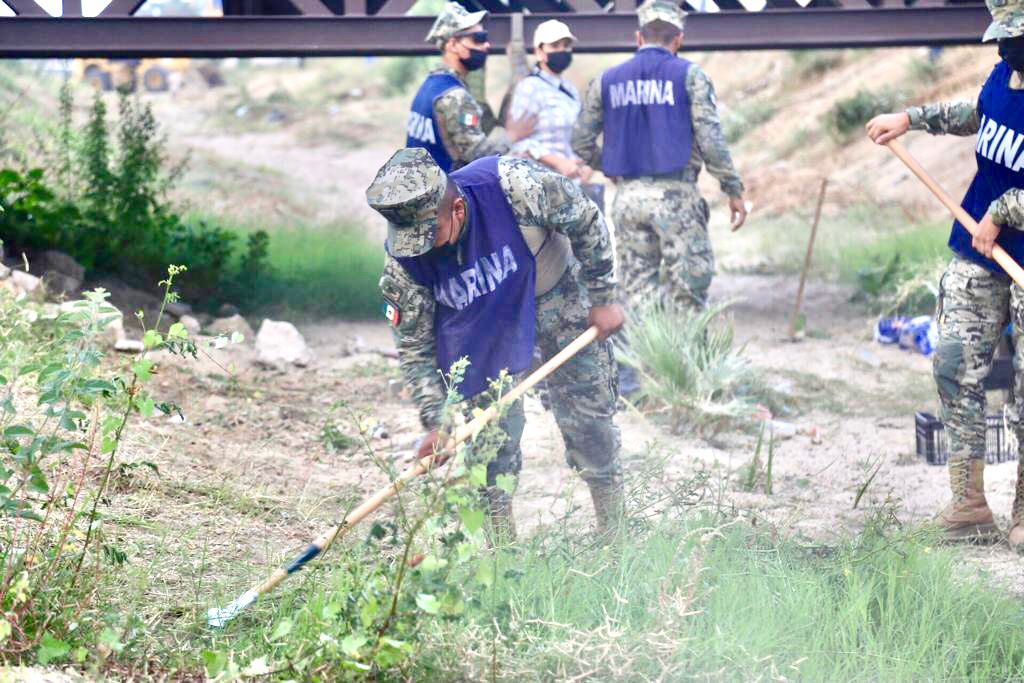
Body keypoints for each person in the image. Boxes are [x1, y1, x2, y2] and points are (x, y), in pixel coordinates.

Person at [367, 147, 625, 540]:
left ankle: (615, 535)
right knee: (489, 445)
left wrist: (603, 296)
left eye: (429, 234)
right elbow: (415, 347)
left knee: (588, 417)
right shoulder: (403, 263)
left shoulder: (514, 186)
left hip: (556, 296)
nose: (420, 248)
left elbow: (585, 217)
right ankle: (503, 558)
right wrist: (436, 422)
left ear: (455, 209)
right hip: (484, 327)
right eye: (409, 240)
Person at [866, 0, 1024, 546]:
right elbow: (980, 115)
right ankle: (970, 503)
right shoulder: (1007, 72)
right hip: (978, 253)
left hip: (1018, 255)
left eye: (1015, 37)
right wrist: (911, 119)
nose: (1006, 48)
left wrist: (1002, 213)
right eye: (1002, 38)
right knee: (955, 363)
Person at [571, 0, 746, 396]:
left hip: (628, 198)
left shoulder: (607, 80)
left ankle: (646, 379)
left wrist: (611, 167)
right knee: (688, 287)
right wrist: (732, 188)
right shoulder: (690, 76)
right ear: (678, 39)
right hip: (676, 196)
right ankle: (688, 382)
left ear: (638, 37)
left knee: (639, 290)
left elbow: (579, 141)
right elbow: (710, 138)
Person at [406, 1, 535, 173]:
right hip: (443, 194)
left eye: (485, 37)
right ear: (452, 45)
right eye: (478, 39)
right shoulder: (455, 96)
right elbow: (477, 156)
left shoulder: (431, 84)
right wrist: (512, 135)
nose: (487, 45)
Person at [508, 20, 593, 185]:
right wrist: (558, 162)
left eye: (566, 45)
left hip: (569, 185)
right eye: (555, 45)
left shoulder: (570, 90)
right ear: (539, 52)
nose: (562, 50)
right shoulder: (529, 87)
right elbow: (517, 141)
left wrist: (586, 165)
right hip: (537, 183)